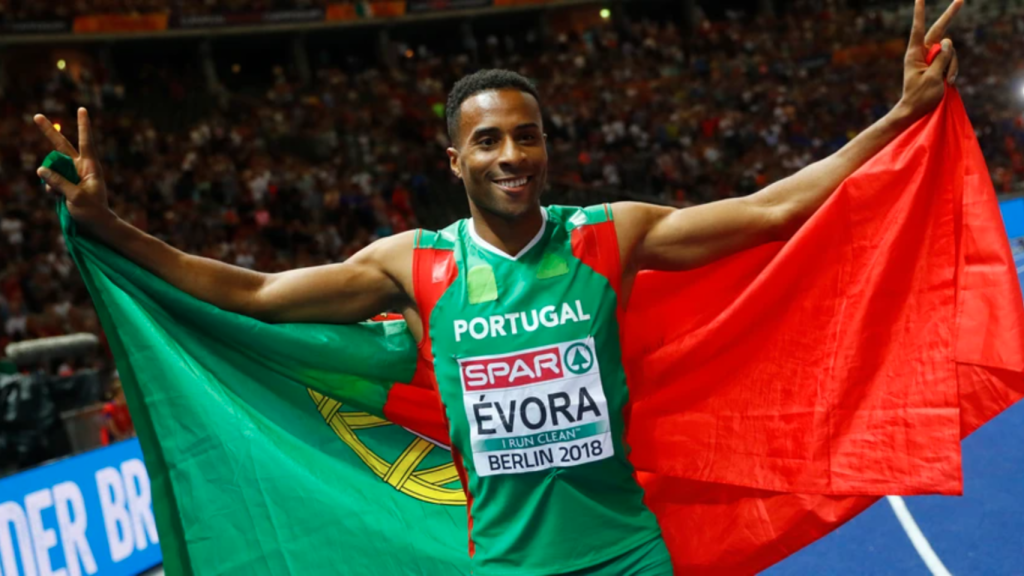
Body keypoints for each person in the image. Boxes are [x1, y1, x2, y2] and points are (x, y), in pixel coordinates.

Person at [33, 1, 962, 573]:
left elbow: (767, 212)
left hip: (630, 556)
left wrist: (896, 116)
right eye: (489, 140)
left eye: (528, 135)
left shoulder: (608, 234)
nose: (513, 154)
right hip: (511, 568)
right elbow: (257, 296)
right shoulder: (417, 264)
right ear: (455, 158)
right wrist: (114, 229)